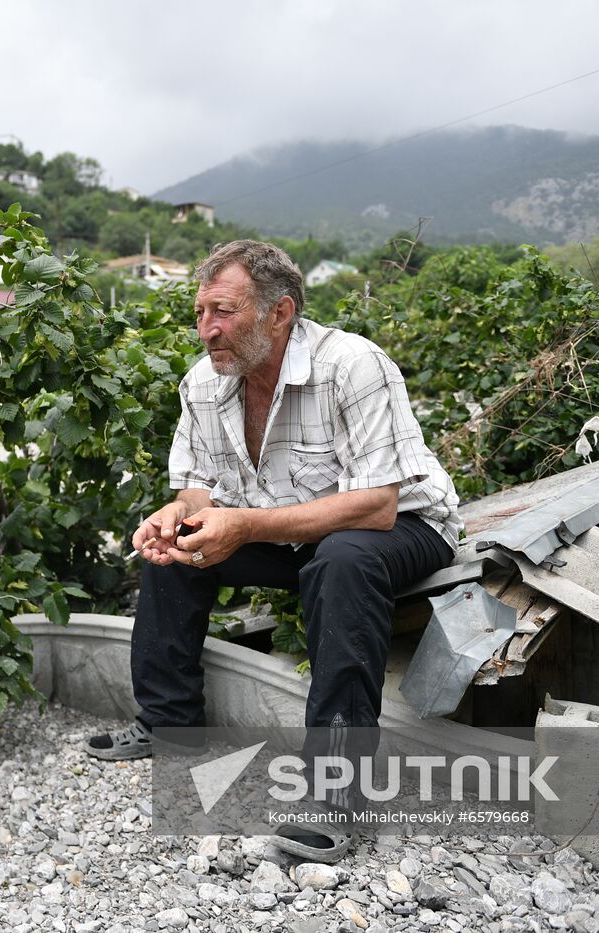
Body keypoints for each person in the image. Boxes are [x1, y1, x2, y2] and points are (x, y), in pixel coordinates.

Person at [84, 240, 462, 859]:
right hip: (289, 533)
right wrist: (173, 515)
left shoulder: (352, 365)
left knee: (342, 560)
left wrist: (245, 525)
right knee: (176, 548)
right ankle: (168, 723)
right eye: (201, 312)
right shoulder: (205, 383)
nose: (207, 329)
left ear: (279, 312)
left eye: (224, 312)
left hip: (403, 529)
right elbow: (197, 492)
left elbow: (377, 506)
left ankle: (335, 795)